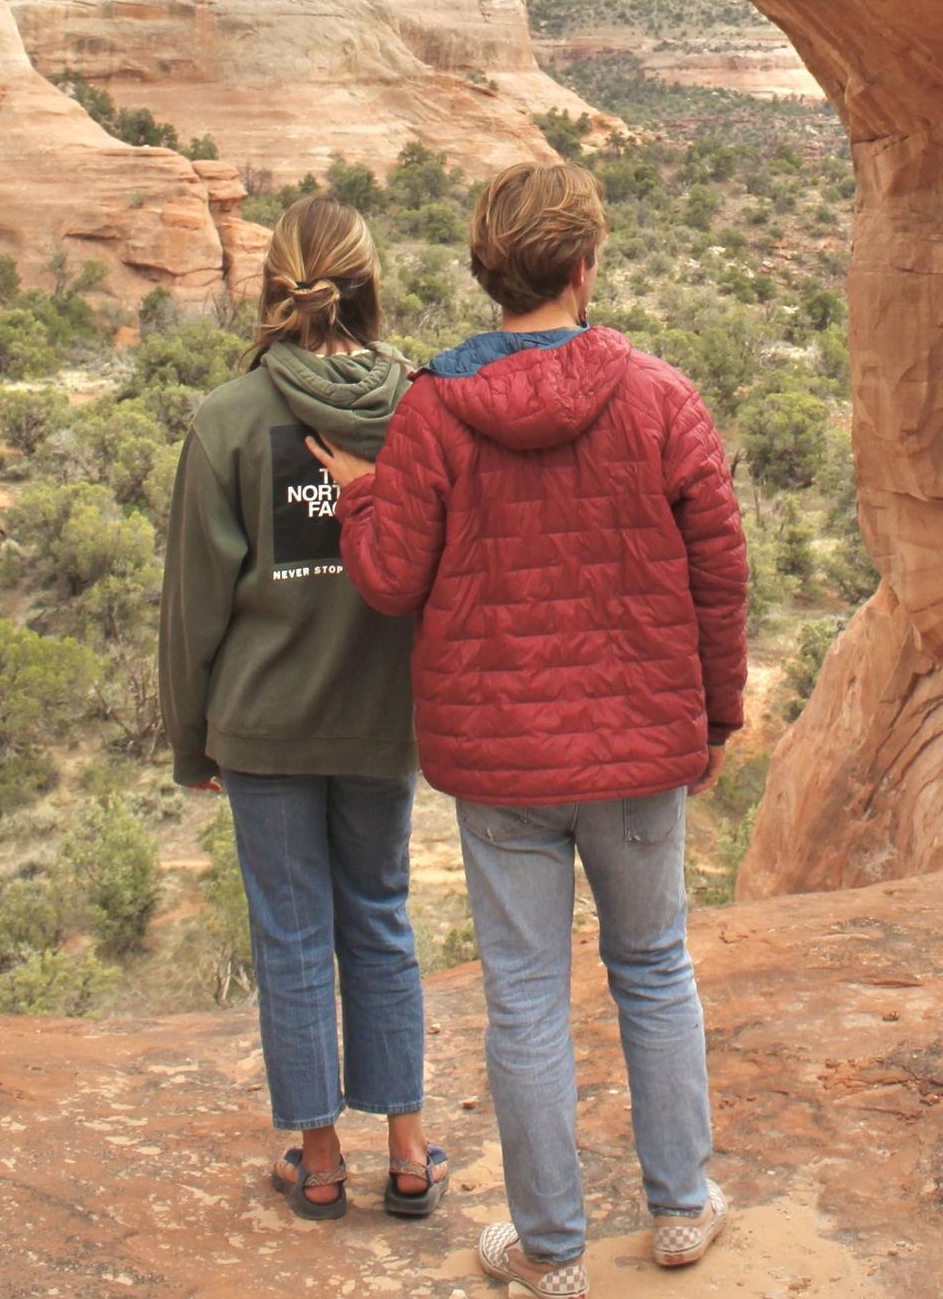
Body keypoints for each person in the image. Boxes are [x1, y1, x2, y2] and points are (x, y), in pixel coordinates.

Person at [309, 159, 747, 1299]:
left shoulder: (433, 412)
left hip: (503, 766)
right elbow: (719, 570)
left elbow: (390, 580)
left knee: (525, 996)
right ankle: (680, 1209)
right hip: (639, 751)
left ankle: (550, 1251)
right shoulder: (660, 396)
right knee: (653, 968)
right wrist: (715, 716)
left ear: (486, 273)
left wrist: (361, 491)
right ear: (583, 267)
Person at [159, 194, 449, 1222]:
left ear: (272, 284)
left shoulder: (229, 419)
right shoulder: (419, 405)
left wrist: (191, 739)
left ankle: (319, 1165)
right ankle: (407, 1153)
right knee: (379, 914)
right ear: (367, 283)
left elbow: (196, 600)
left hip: (265, 722)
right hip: (379, 715)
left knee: (290, 936)